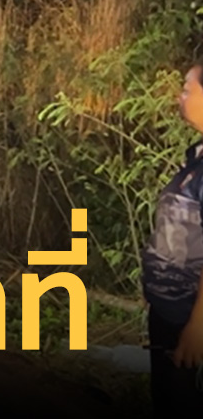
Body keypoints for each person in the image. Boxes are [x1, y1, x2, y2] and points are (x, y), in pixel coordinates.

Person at [141, 63, 203, 413]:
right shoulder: (195, 158)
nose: (180, 96)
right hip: (171, 313)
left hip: (190, 319)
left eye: (187, 89)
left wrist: (198, 326)